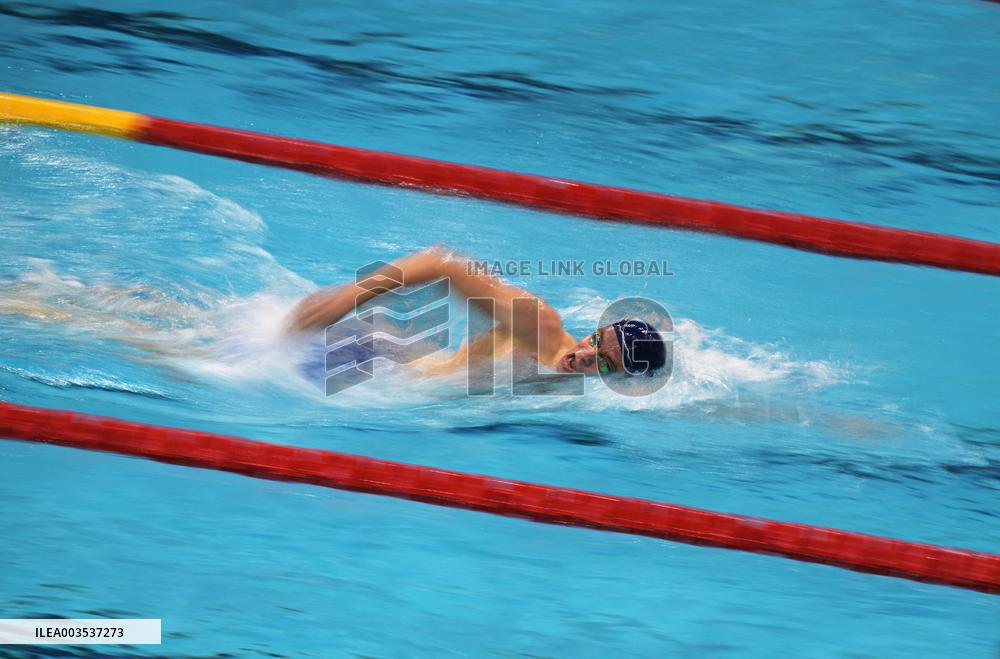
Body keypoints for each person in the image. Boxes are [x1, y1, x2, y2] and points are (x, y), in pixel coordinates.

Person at [287, 246, 668, 378]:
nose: (583, 356)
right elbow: (442, 263)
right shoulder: (540, 327)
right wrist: (347, 298)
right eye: (595, 341)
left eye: (602, 364)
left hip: (392, 374)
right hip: (365, 356)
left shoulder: (571, 387)